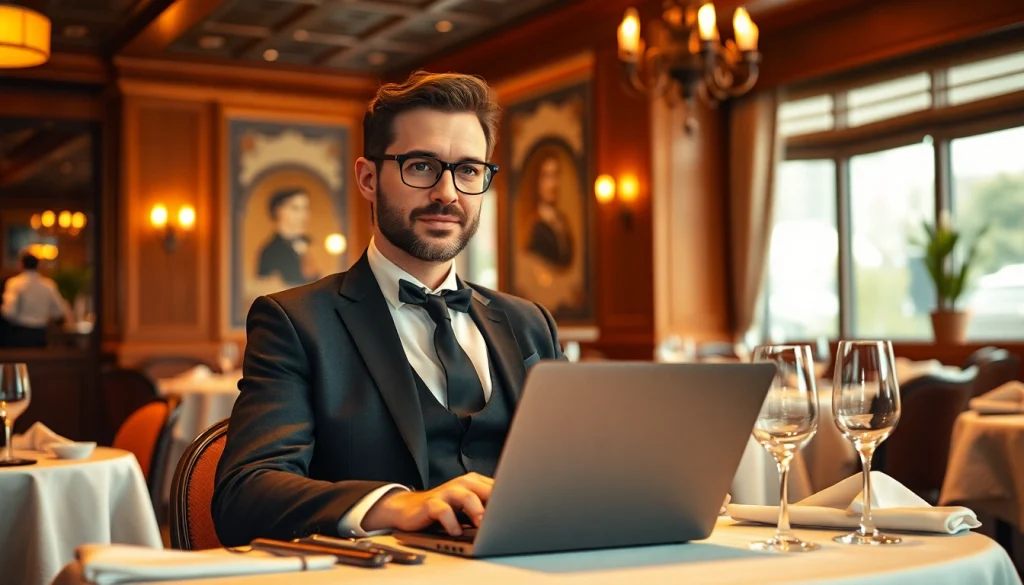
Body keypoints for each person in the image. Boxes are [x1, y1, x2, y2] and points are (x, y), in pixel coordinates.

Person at [213, 71, 566, 547]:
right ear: (367, 178)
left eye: (468, 170)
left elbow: (574, 472)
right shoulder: (295, 323)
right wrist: (392, 505)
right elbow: (245, 493)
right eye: (421, 166)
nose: (447, 192)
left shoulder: (531, 324)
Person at [0, 253, 73, 348]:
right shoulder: (48, 285)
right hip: (41, 334)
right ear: (38, 265)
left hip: (19, 333)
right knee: (38, 361)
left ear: (21, 265)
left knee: (20, 360)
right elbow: (59, 311)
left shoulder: (15, 283)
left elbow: (9, 311)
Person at [256, 188, 319, 286]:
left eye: (306, 208)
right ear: (279, 211)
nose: (304, 215)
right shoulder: (270, 251)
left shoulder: (313, 245)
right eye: (296, 208)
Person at [526, 154, 574, 268]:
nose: (552, 184)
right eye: (546, 176)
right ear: (537, 181)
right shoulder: (535, 226)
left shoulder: (563, 221)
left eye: (555, 175)